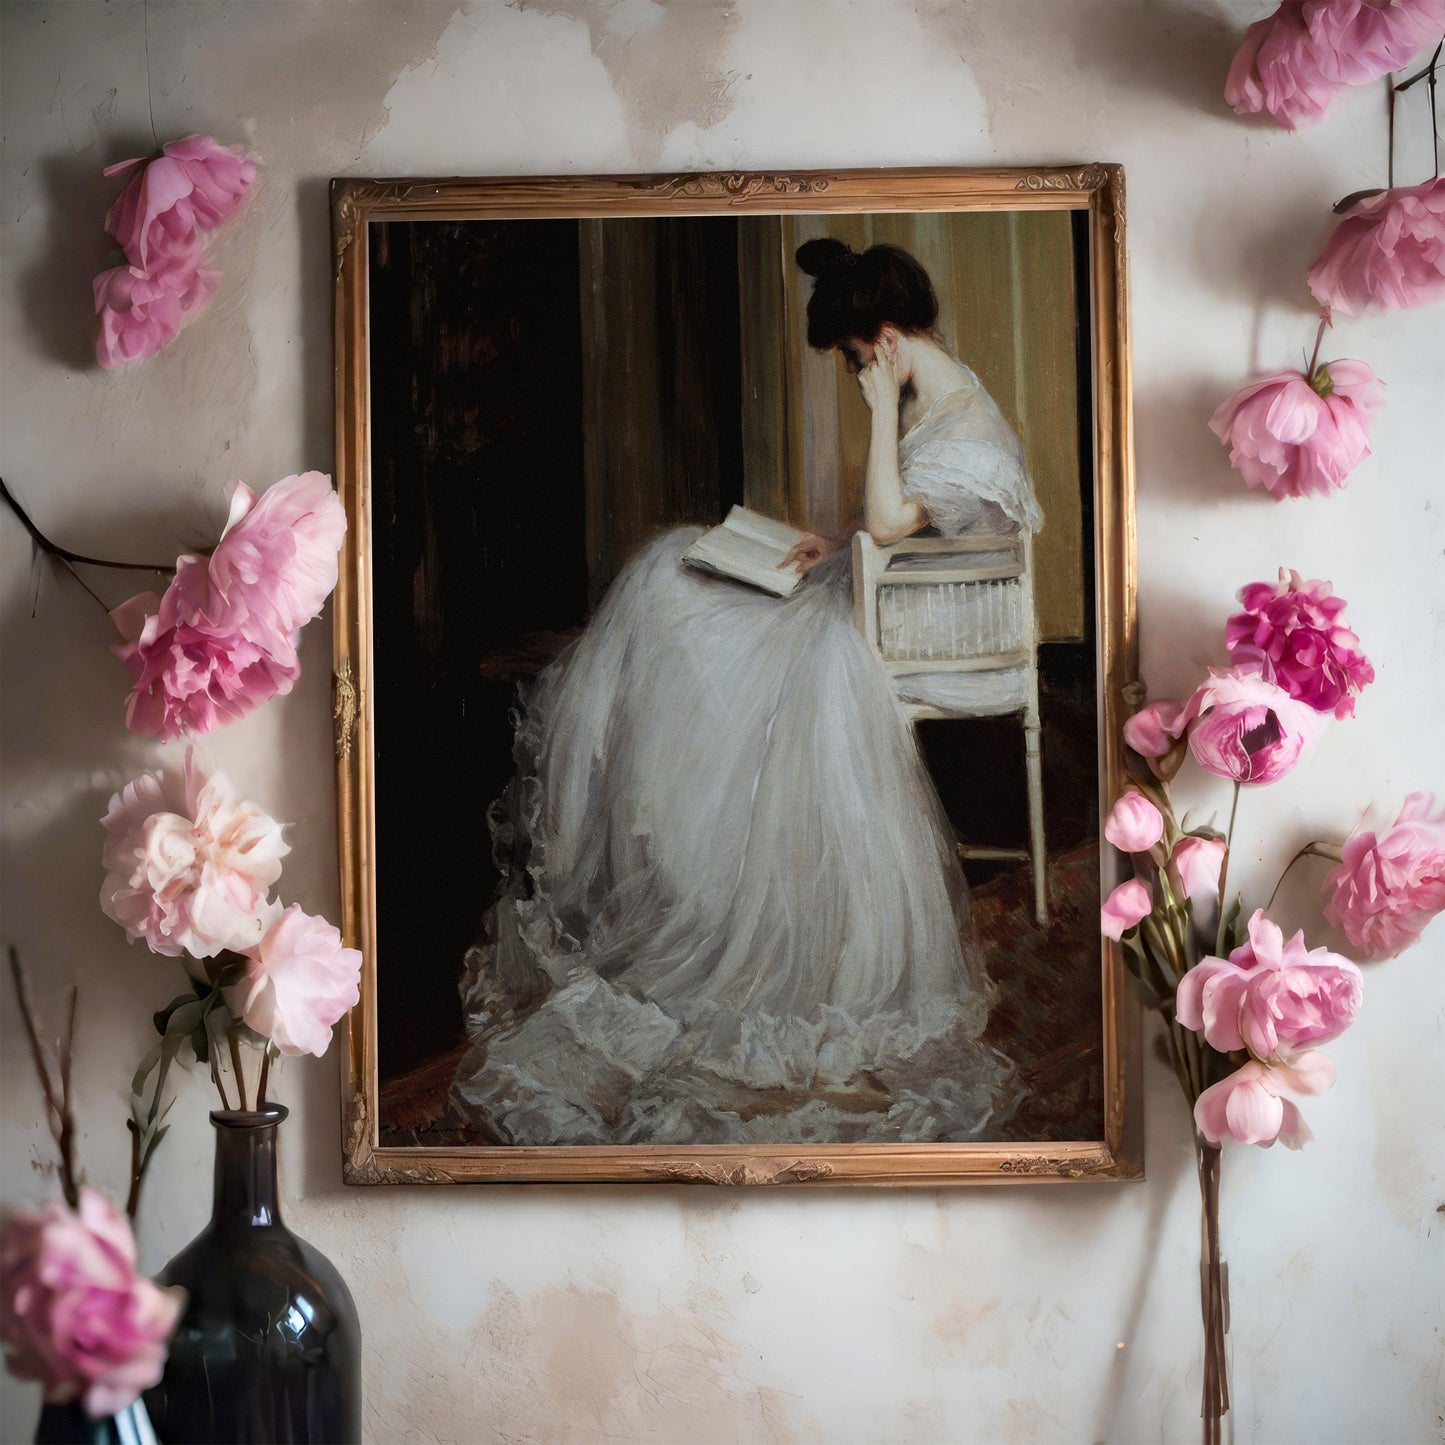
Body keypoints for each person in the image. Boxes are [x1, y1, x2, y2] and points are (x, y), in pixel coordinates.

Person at [452, 239, 1042, 1146]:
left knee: (674, 600)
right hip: (876, 595)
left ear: (884, 343)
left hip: (896, 628)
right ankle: (669, 843)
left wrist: (876, 418)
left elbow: (896, 519)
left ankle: (686, 868)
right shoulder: (951, 402)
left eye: (854, 359)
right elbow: (900, 527)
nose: (854, 376)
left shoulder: (956, 421)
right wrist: (834, 544)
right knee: (672, 565)